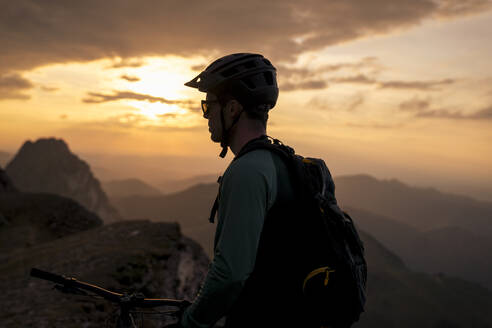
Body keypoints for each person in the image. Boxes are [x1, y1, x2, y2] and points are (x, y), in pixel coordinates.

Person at [178, 53, 314, 328]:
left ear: (231, 109)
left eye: (208, 106)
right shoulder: (284, 162)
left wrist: (190, 323)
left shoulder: (246, 172)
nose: (205, 115)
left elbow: (230, 275)